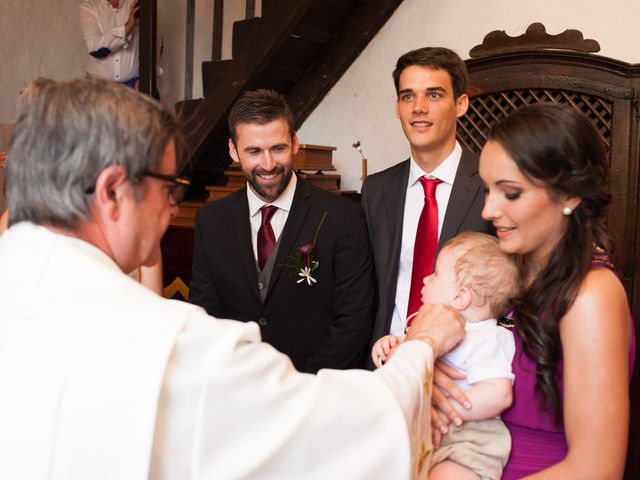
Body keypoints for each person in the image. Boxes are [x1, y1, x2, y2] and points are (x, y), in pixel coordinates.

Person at [0, 78, 468, 479]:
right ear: (112, 192)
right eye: (168, 187)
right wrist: (423, 344)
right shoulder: (167, 344)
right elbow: (342, 426)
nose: (171, 207)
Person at [434, 103, 636, 478]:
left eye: (510, 193)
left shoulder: (590, 296)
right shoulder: (507, 270)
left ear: (569, 196)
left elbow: (596, 469)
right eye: (487, 189)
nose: (489, 209)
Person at [189, 89, 375, 373]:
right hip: (237, 387)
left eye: (278, 148)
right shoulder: (210, 220)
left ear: (295, 143)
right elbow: (205, 316)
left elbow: (354, 320)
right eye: (254, 151)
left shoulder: (343, 217)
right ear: (233, 151)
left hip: (316, 390)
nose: (268, 164)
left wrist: (304, 388)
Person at [361, 47, 493, 366]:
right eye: (408, 97)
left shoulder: (493, 184)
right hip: (385, 361)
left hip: (464, 369)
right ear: (397, 107)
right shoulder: (376, 190)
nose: (419, 108)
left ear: (460, 104)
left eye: (433, 95)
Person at [373, 232, 519, 480]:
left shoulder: (487, 337)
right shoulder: (427, 324)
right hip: (419, 431)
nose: (426, 278)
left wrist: (444, 410)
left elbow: (498, 394)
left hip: (467, 437)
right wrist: (390, 345)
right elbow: (410, 355)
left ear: (461, 297)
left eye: (437, 273)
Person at [79, 0, 140, 87]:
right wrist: (127, 27)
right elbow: (96, 49)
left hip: (133, 85)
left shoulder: (135, 2)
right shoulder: (89, 6)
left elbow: (152, 39)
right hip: (98, 86)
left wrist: (146, 77)